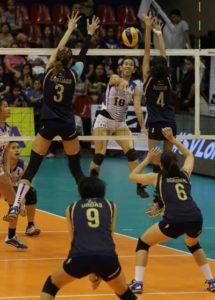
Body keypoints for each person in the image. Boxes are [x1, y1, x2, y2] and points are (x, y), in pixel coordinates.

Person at [5, 12, 100, 221]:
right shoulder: (75, 74)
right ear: (70, 61)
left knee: (31, 169)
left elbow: (58, 50)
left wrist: (68, 29)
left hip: (48, 124)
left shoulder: (48, 71)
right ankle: (88, 204)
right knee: (76, 169)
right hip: (67, 124)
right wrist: (88, 34)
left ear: (58, 58)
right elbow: (83, 55)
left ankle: (15, 206)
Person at [128, 127, 215, 294]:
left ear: (161, 164)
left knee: (143, 243)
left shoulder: (157, 177)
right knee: (193, 244)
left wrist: (147, 160)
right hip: (196, 217)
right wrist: (173, 140)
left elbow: (132, 176)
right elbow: (189, 155)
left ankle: (138, 283)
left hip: (175, 219)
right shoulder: (185, 174)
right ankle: (211, 281)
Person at [40, 176, 137, 300]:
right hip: (107, 257)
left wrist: (91, 269)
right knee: (125, 293)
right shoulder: (111, 205)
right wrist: (99, 270)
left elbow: (74, 240)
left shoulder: (71, 208)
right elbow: (109, 236)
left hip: (80, 256)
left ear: (81, 191)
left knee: (51, 285)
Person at [89, 57, 149, 198]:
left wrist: (143, 127)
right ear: (121, 68)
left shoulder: (135, 88)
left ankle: (139, 185)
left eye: (131, 64)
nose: (128, 66)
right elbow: (117, 80)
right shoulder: (114, 78)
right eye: (125, 64)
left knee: (132, 154)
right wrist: (123, 83)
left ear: (134, 69)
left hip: (120, 123)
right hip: (104, 120)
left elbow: (138, 108)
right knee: (99, 156)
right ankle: (91, 187)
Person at [142, 15, 177, 212]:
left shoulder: (148, 78)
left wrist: (148, 29)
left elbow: (148, 51)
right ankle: (165, 200)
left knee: (156, 166)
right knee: (169, 163)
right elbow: (164, 55)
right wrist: (158, 32)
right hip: (170, 123)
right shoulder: (169, 78)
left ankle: (157, 201)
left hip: (155, 124)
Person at [0, 99, 27, 249]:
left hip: (1, 169)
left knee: (14, 202)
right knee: (14, 203)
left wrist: (6, 170)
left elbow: (5, 153)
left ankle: (11, 236)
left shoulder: (8, 129)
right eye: (5, 106)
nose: (8, 108)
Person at [8, 141, 40, 236]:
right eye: (13, 148)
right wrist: (19, 205)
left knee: (31, 191)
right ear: (7, 151)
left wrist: (21, 204)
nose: (17, 149)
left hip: (16, 189)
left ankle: (30, 225)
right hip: (4, 189)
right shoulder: (3, 164)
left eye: (18, 147)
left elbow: (24, 186)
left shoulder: (24, 165)